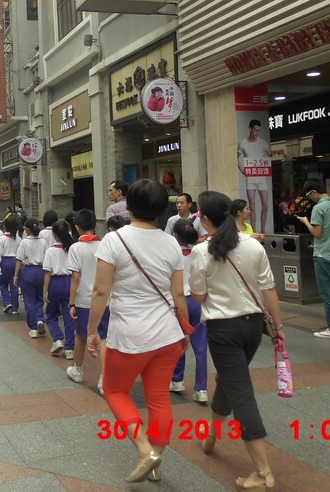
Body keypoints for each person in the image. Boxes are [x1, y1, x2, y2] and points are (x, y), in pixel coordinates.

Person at [87, 179, 188, 484]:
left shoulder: (114, 241)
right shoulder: (171, 242)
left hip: (129, 336)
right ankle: (155, 460)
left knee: (116, 391)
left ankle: (145, 450)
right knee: (158, 398)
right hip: (167, 334)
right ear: (161, 209)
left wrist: (93, 330)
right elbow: (178, 294)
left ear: (128, 205)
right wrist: (184, 331)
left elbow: (100, 291)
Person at [189, 191, 284, 492]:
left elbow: (199, 296)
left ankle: (262, 471)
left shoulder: (202, 252)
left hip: (223, 330)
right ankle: (212, 436)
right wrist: (278, 327)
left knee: (241, 392)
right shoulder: (253, 245)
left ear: (204, 219)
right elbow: (269, 289)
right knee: (231, 381)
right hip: (253, 326)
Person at [297, 179, 330, 338]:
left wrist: (306, 222)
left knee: (327, 294)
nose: (309, 199)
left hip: (323, 254)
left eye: (308, 195)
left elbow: (317, 233)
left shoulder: (319, 208)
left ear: (313, 192)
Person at [66, 209, 107, 395]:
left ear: (77, 227)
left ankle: (78, 369)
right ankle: (104, 379)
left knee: (81, 335)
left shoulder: (76, 248)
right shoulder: (105, 245)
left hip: (83, 299)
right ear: (95, 225)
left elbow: (75, 277)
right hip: (105, 299)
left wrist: (71, 302)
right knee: (103, 338)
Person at [169, 219, 209, 403]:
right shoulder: (200, 253)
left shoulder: (172, 255)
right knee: (200, 346)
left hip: (179, 301)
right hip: (198, 300)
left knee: (178, 341)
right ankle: (201, 389)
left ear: (175, 235)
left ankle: (177, 380)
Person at [43, 220, 75, 359]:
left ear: (55, 235)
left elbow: (47, 272)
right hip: (69, 281)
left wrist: (45, 290)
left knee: (51, 314)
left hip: (55, 283)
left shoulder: (50, 251)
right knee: (69, 316)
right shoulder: (72, 249)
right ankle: (69, 349)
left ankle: (57, 339)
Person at [14, 218, 47, 339]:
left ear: (27, 229)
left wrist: (16, 275)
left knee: (29, 299)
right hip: (41, 270)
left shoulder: (24, 242)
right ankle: (40, 319)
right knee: (39, 297)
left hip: (28, 271)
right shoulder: (43, 242)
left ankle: (33, 328)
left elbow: (19, 259)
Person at [237, 119, 272, 233]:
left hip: (261, 177)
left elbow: (271, 154)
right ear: (250, 129)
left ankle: (262, 231)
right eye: (255, 130)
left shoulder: (262, 142)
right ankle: (254, 231)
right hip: (250, 178)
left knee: (265, 205)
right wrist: (242, 169)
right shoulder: (243, 143)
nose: (257, 132)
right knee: (252, 205)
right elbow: (235, 157)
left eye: (259, 131)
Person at [0, 215, 20, 314]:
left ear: (5, 226)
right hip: (15, 261)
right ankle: (15, 308)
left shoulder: (1, 239)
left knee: (2, 284)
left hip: (5, 262)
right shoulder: (18, 238)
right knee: (14, 284)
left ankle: (7, 302)